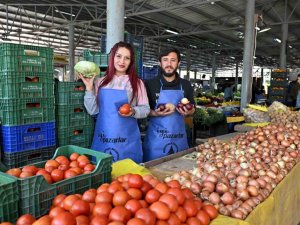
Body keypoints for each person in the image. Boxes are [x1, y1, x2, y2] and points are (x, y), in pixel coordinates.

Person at [78, 41, 150, 163]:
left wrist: (133, 111)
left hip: (127, 141)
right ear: (112, 58)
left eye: (127, 58)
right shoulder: (100, 82)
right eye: (118, 56)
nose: (122, 61)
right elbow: (93, 111)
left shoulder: (137, 83)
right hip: (104, 139)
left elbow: (146, 109)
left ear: (131, 62)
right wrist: (89, 88)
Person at [143, 47, 195, 162]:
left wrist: (189, 111)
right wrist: (155, 113)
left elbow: (193, 108)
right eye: (165, 60)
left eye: (173, 60)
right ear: (160, 63)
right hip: (156, 142)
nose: (169, 64)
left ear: (178, 63)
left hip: (179, 139)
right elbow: (144, 111)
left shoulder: (186, 85)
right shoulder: (150, 84)